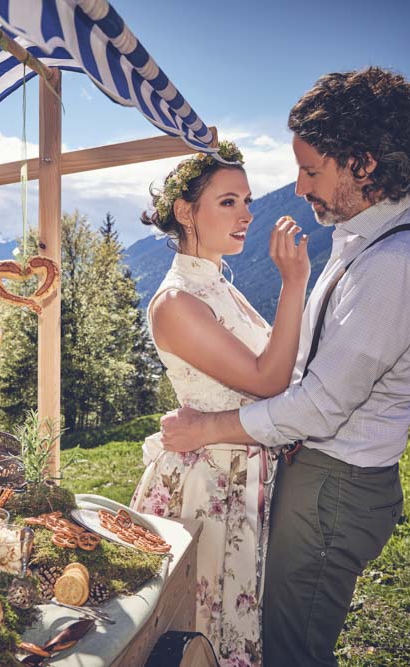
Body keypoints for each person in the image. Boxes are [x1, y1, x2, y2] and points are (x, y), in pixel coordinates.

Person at [160, 67, 410, 666]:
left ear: (363, 165)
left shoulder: (394, 263)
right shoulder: (364, 239)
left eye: (312, 171)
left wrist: (208, 427)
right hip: (310, 479)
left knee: (292, 651)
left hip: (333, 488)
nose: (298, 187)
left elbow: (319, 404)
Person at [129, 139, 310, 666]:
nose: (246, 214)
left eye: (246, 201)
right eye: (228, 201)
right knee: (202, 630)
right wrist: (294, 282)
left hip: (242, 476)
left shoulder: (219, 287)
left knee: (233, 626)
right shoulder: (176, 302)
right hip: (207, 487)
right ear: (186, 212)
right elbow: (269, 379)